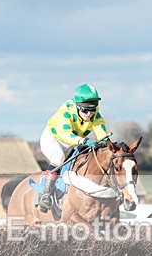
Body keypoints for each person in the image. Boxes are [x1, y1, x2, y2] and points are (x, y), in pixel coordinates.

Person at [37, 83, 111, 212]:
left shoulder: (95, 115)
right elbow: (65, 134)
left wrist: (106, 143)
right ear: (77, 106)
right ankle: (46, 194)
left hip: (73, 142)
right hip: (54, 138)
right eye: (85, 110)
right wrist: (84, 140)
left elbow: (100, 129)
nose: (89, 114)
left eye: (92, 110)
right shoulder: (66, 112)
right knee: (59, 157)